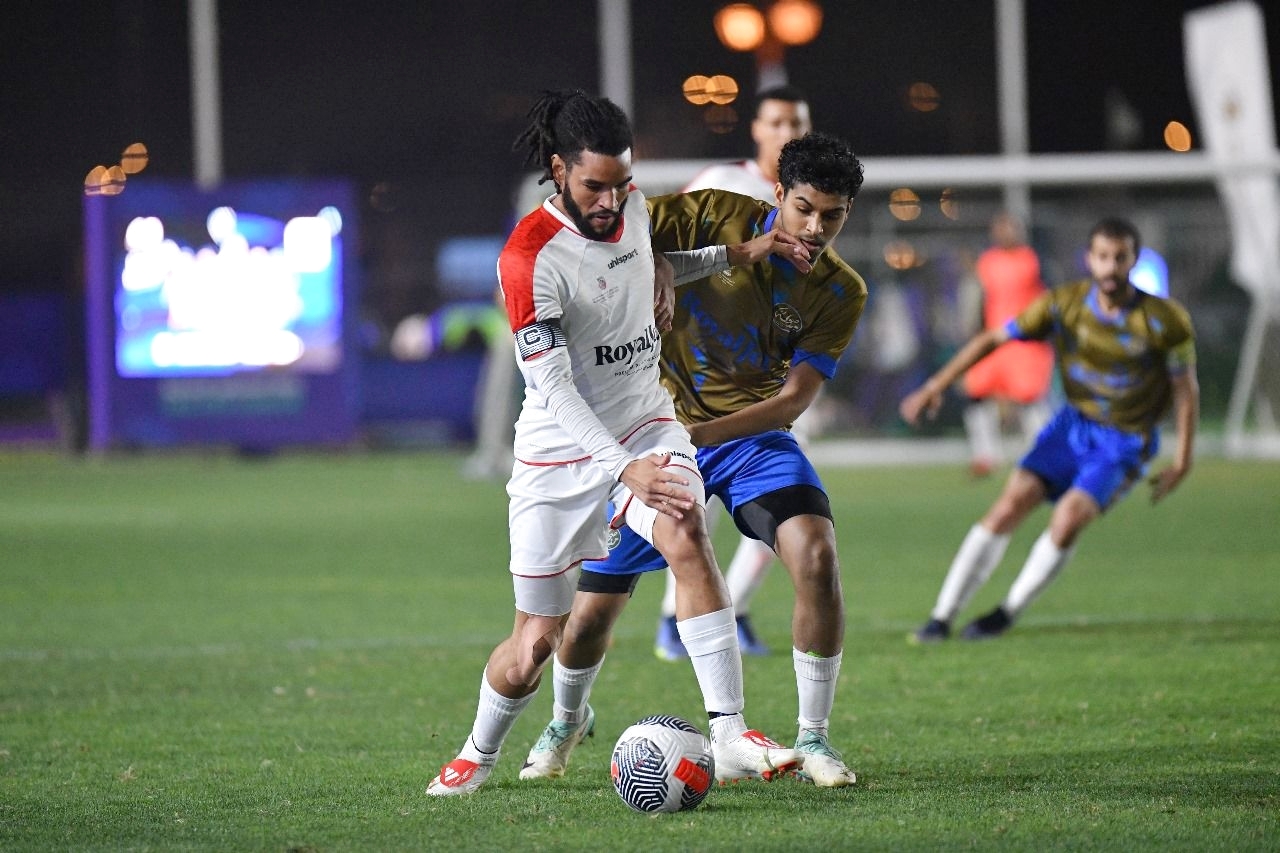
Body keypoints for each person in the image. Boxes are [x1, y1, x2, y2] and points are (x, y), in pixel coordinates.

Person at [427, 89, 804, 796]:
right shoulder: (528, 259)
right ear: (559, 169)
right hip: (559, 452)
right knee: (535, 644)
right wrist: (622, 469)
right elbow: (553, 389)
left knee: (685, 527)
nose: (611, 201)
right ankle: (479, 750)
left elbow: (648, 265)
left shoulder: (630, 207)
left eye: (622, 182)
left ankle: (728, 731)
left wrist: (737, 253)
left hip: (645, 421)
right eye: (595, 186)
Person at [519, 132, 867, 788]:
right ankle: (567, 720)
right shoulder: (713, 212)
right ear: (777, 194)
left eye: (833, 215)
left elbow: (793, 400)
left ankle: (814, 738)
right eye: (803, 208)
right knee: (588, 617)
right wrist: (657, 264)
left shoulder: (840, 291)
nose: (815, 228)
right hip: (651, 431)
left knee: (817, 557)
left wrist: (699, 437)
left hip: (745, 436)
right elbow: (615, 236)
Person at [901, 217, 1198, 641]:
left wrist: (1183, 460)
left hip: (1125, 440)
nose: (1111, 267)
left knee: (1069, 517)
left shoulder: (1165, 320)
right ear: (1089, 259)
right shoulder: (1063, 304)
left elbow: (1185, 389)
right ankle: (941, 617)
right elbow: (993, 339)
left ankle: (1006, 612)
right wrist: (936, 385)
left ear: (1134, 260)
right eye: (1103, 257)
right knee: (1009, 505)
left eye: (1120, 257)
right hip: (1072, 426)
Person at [654, 84, 815, 662]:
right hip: (703, 367)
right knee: (691, 494)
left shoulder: (813, 204)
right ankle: (675, 617)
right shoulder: (722, 181)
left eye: (796, 122)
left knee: (788, 494)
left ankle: (733, 608)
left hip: (771, 368)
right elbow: (660, 245)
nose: (787, 133)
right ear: (757, 129)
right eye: (777, 122)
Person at [960, 212, 1054, 478]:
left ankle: (1043, 455)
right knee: (976, 393)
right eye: (999, 229)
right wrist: (975, 331)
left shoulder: (1034, 261)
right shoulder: (988, 261)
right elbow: (981, 297)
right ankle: (985, 455)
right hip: (993, 340)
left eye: (1009, 228)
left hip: (1025, 342)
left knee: (1029, 399)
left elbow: (1049, 298)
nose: (1003, 234)